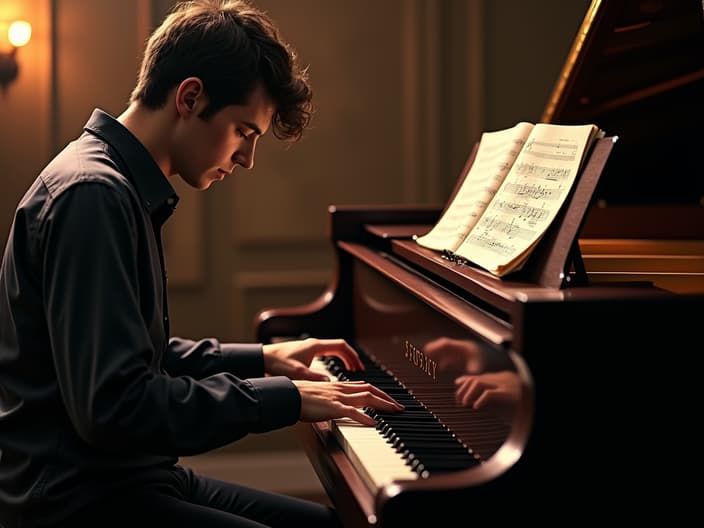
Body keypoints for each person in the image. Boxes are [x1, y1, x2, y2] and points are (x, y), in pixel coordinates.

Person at [0, 1, 404, 526]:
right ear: (190, 97)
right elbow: (117, 408)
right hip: (75, 499)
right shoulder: (92, 195)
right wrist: (283, 399)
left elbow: (132, 358)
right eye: (245, 132)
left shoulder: (111, 183)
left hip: (126, 477)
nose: (246, 159)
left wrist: (264, 361)